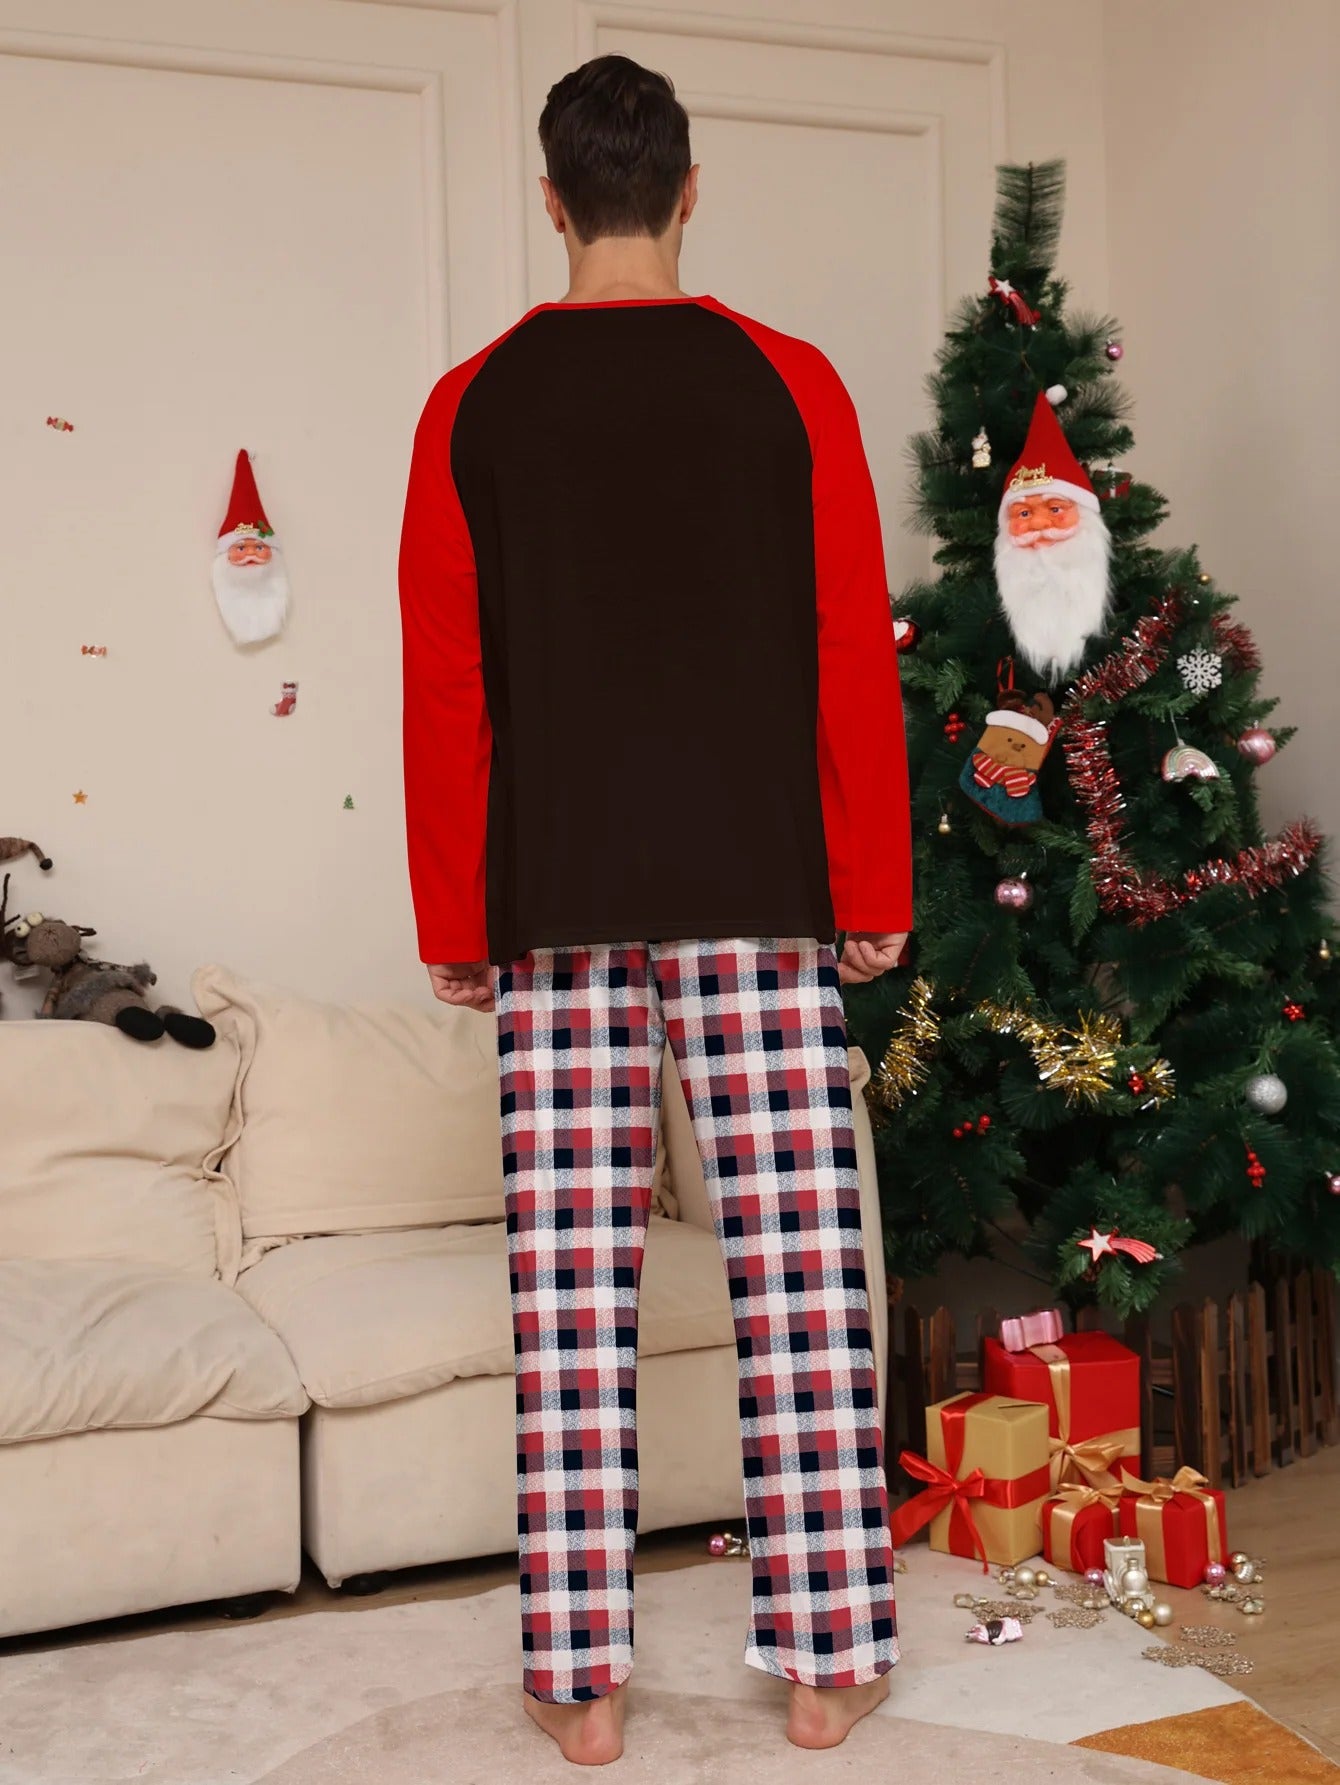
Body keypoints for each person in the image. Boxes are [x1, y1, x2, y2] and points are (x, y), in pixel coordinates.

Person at [397, 52, 912, 1766]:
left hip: (553, 905)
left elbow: (449, 687)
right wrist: (872, 883)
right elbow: (848, 651)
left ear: (552, 202)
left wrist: (457, 915)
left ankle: (583, 1683)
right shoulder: (794, 385)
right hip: (760, 894)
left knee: (566, 1300)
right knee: (804, 1283)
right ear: (690, 191)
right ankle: (829, 1664)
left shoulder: (468, 403)